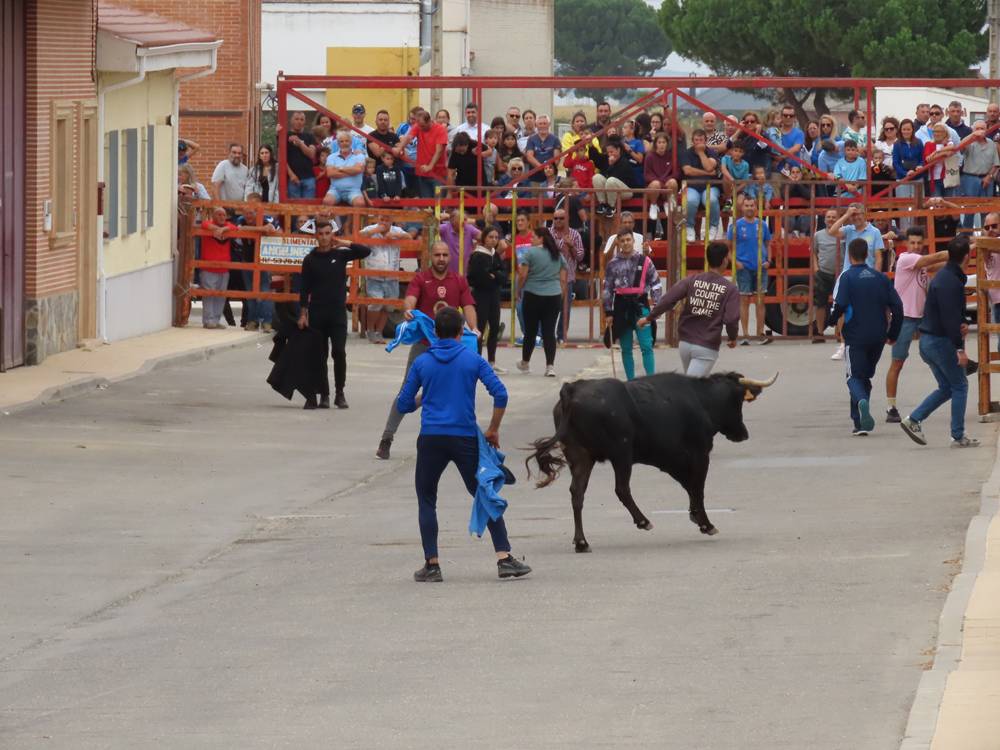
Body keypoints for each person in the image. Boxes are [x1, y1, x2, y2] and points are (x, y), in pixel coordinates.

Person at [396, 306, 531, 582]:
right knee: (483, 492)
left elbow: (403, 404)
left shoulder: (423, 362)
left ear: (435, 332)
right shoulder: (473, 359)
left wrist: (424, 398)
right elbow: (501, 394)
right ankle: (504, 558)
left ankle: (432, 565)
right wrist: (493, 429)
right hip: (464, 437)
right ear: (461, 332)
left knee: (426, 498)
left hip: (431, 437)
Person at [376, 242, 478, 460]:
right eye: (437, 255)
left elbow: (468, 306)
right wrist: (408, 310)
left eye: (444, 255)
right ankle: (386, 438)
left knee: (462, 391)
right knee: (405, 392)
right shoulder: (421, 279)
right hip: (424, 345)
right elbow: (410, 300)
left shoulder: (459, 280)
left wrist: (475, 327)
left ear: (450, 257)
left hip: (452, 348)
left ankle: (466, 439)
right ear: (431, 256)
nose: (441, 259)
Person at [900, 236, 979, 447]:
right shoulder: (950, 281)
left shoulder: (945, 276)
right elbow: (949, 317)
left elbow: (951, 314)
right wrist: (959, 349)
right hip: (939, 342)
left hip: (928, 341)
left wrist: (961, 322)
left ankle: (914, 419)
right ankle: (958, 435)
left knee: (947, 387)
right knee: (960, 385)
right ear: (967, 257)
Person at [827, 238, 904, 435]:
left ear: (849, 255)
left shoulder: (847, 277)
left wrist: (831, 321)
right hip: (878, 336)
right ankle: (860, 423)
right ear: (867, 254)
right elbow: (897, 306)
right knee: (865, 376)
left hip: (855, 335)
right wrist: (893, 333)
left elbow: (840, 304)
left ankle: (861, 406)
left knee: (853, 376)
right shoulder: (880, 278)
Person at [297, 221, 372, 410]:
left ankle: (340, 392)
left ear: (332, 235)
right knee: (319, 355)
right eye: (321, 234)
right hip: (317, 312)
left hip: (337, 313)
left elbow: (365, 251)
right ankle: (324, 394)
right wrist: (303, 314)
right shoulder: (310, 259)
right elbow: (304, 289)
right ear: (316, 236)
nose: (324, 237)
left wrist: (344, 242)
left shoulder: (340, 255)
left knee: (339, 351)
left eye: (327, 233)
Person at [640, 241, 739, 376]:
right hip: (706, 346)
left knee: (696, 386)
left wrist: (649, 318)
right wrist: (732, 337)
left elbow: (668, 299)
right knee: (691, 387)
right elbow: (731, 319)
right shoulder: (730, 289)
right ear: (724, 260)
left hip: (685, 344)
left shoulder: (692, 280)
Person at [883, 226, 950, 423]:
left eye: (919, 243)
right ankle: (891, 407)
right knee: (898, 362)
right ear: (906, 244)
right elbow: (937, 258)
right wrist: (961, 248)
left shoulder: (920, 263)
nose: (916, 246)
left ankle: (956, 365)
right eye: (912, 242)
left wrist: (961, 255)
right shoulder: (905, 259)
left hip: (921, 316)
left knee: (938, 345)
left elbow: (942, 263)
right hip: (904, 318)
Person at [827, 202, 886, 359]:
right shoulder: (849, 230)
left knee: (866, 310)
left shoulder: (874, 232)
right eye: (853, 215)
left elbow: (878, 257)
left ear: (864, 213)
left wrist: (876, 278)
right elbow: (832, 231)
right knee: (841, 307)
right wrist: (846, 215)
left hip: (867, 277)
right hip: (848, 275)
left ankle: (864, 342)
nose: (856, 217)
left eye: (858, 214)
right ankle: (843, 343)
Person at [603, 231, 662, 380]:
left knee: (646, 346)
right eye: (622, 240)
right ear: (618, 242)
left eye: (628, 239)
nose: (626, 243)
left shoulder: (645, 261)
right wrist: (608, 312)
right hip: (621, 307)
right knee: (626, 348)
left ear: (633, 240)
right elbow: (607, 289)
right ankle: (630, 382)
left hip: (640, 305)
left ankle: (651, 381)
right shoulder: (612, 264)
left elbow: (656, 284)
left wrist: (657, 306)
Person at [517, 227, 568, 377]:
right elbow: (563, 279)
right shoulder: (557, 254)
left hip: (533, 294)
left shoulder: (530, 253)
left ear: (541, 238)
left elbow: (523, 275)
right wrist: (561, 294)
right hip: (553, 295)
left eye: (533, 237)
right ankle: (550, 366)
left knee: (530, 331)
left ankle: (525, 362)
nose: (531, 239)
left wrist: (518, 290)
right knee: (549, 332)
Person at [358, 215, 410, 344]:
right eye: (382, 220)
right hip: (374, 276)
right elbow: (359, 235)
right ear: (378, 219)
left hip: (392, 276)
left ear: (391, 221)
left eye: (387, 220)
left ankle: (379, 332)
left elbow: (409, 237)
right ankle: (370, 330)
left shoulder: (396, 231)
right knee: (375, 304)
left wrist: (396, 236)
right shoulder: (371, 229)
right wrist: (375, 230)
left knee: (388, 306)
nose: (384, 223)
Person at [728, 194, 771, 344]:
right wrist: (735, 262)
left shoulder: (762, 225)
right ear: (742, 207)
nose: (749, 208)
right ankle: (745, 334)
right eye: (746, 205)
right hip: (744, 267)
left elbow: (768, 244)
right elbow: (729, 248)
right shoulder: (736, 225)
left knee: (760, 301)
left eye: (752, 205)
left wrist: (769, 260)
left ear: (756, 207)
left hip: (761, 267)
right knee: (744, 301)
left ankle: (760, 333)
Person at [467, 225, 506, 371]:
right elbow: (476, 278)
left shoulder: (495, 254)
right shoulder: (477, 255)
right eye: (491, 237)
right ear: (484, 238)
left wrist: (493, 275)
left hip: (494, 295)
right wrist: (493, 276)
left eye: (496, 237)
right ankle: (477, 361)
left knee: (494, 327)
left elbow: (503, 276)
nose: (494, 240)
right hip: (481, 295)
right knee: (480, 328)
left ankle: (491, 361)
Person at [549, 207, 585, 342]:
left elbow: (580, 256)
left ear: (567, 219)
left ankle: (561, 336)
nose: (558, 220)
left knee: (565, 310)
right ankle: (547, 334)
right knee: (548, 308)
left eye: (561, 218)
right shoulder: (547, 234)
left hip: (567, 277)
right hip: (549, 277)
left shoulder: (575, 234)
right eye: (555, 218)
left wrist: (571, 246)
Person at [396, 110, 449, 198]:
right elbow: (409, 137)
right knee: (426, 202)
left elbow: (439, 150)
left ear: (429, 121)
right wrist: (400, 148)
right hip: (423, 172)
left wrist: (430, 166)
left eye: (423, 126)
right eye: (419, 126)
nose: (420, 128)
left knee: (438, 202)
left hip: (438, 174)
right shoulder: (418, 126)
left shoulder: (440, 130)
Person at [198, 207, 236, 329]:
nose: (221, 217)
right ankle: (208, 320)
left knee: (221, 296)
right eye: (219, 214)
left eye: (223, 215)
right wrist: (218, 229)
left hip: (224, 269)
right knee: (209, 295)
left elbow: (234, 227)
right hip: (209, 268)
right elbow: (205, 224)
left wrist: (223, 229)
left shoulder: (228, 226)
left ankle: (215, 320)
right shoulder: (207, 224)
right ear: (213, 216)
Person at [958, 120, 999, 229]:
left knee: (986, 210)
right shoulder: (969, 142)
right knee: (969, 210)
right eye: (977, 129)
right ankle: (967, 235)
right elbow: (960, 147)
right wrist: (972, 136)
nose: (980, 131)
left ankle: (986, 234)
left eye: (982, 129)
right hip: (970, 179)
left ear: (986, 130)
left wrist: (989, 177)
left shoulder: (991, 143)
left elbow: (996, 164)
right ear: (972, 130)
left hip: (987, 179)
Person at [681, 129, 721, 241]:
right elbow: (688, 171)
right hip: (692, 186)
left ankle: (713, 226)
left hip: (710, 186)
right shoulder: (686, 153)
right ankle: (689, 227)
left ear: (706, 141)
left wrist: (701, 153)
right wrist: (707, 173)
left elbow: (709, 166)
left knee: (711, 200)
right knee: (690, 201)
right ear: (692, 141)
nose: (698, 142)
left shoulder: (712, 152)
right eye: (696, 140)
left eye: (701, 140)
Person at [811, 209, 841, 342]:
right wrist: (816, 269)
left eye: (834, 217)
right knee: (820, 304)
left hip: (840, 273)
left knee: (840, 304)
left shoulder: (842, 233)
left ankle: (840, 333)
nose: (831, 219)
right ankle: (819, 332)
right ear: (824, 219)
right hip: (823, 273)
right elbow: (813, 252)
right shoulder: (818, 235)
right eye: (828, 217)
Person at [323, 130, 367, 208]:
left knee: (360, 203)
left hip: (353, 190)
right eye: (341, 141)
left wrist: (340, 168)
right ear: (338, 143)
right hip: (335, 190)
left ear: (351, 142)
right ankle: (331, 217)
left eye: (347, 141)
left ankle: (350, 218)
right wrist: (352, 171)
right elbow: (330, 173)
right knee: (327, 201)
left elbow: (358, 170)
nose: (344, 143)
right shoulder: (331, 157)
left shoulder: (359, 156)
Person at [284, 111, 318, 199]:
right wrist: (291, 175)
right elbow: (282, 158)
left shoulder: (310, 136)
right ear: (291, 120)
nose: (299, 121)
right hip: (293, 178)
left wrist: (300, 143)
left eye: (302, 119)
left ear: (304, 122)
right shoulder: (284, 136)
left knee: (309, 207)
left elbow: (311, 154)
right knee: (294, 207)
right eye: (296, 119)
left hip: (309, 178)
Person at [439, 209, 481, 274]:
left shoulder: (469, 228)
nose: (464, 222)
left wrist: (476, 247)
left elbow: (483, 237)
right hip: (449, 268)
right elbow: (431, 230)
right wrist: (439, 219)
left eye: (465, 220)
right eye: (461, 219)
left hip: (465, 268)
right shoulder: (445, 228)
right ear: (453, 221)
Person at [524, 114, 560, 182]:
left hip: (551, 176)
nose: (542, 126)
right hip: (535, 175)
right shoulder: (531, 139)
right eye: (540, 124)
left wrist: (548, 169)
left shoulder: (555, 139)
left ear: (549, 124)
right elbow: (529, 156)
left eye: (544, 123)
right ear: (536, 125)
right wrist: (543, 168)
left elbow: (557, 159)